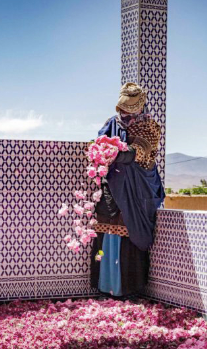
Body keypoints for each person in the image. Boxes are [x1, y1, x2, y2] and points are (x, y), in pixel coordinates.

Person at [90, 82, 165, 297]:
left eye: (131, 108)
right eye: (124, 108)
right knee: (106, 233)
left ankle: (129, 289)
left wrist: (119, 154)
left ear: (141, 106)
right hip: (111, 188)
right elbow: (98, 142)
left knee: (130, 236)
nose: (126, 113)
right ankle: (105, 286)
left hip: (137, 189)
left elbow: (142, 152)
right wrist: (100, 150)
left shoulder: (150, 127)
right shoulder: (110, 124)